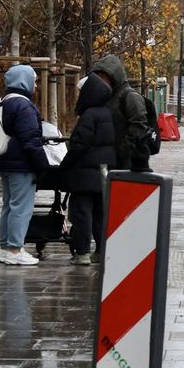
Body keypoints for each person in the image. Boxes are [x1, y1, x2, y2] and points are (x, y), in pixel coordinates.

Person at [0, 64, 49, 265]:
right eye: (33, 80)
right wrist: (43, 165)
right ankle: (15, 249)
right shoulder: (23, 105)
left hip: (5, 162)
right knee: (21, 207)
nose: (35, 84)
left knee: (8, 206)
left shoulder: (3, 102)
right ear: (24, 80)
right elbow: (30, 140)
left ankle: (5, 247)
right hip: (22, 164)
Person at [59, 73, 115, 265]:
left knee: (82, 213)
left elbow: (79, 145)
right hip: (102, 173)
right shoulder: (108, 113)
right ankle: (101, 250)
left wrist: (64, 165)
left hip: (84, 174)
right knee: (100, 214)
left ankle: (82, 252)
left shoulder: (89, 115)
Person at [91, 55, 150, 171]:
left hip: (127, 162)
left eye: (103, 76)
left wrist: (123, 151)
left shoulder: (130, 96)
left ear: (113, 76)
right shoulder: (108, 96)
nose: (100, 80)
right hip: (111, 159)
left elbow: (138, 127)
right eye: (98, 77)